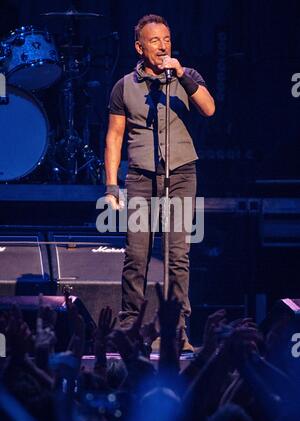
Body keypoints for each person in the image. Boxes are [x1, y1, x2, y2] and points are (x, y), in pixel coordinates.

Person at [104, 14, 215, 351]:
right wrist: (111, 188)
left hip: (181, 174)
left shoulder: (187, 76)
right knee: (136, 256)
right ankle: (130, 329)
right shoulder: (124, 86)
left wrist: (182, 76)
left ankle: (177, 331)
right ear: (140, 47)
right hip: (140, 177)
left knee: (177, 255)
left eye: (166, 38)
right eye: (154, 40)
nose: (163, 45)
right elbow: (114, 137)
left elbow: (209, 109)